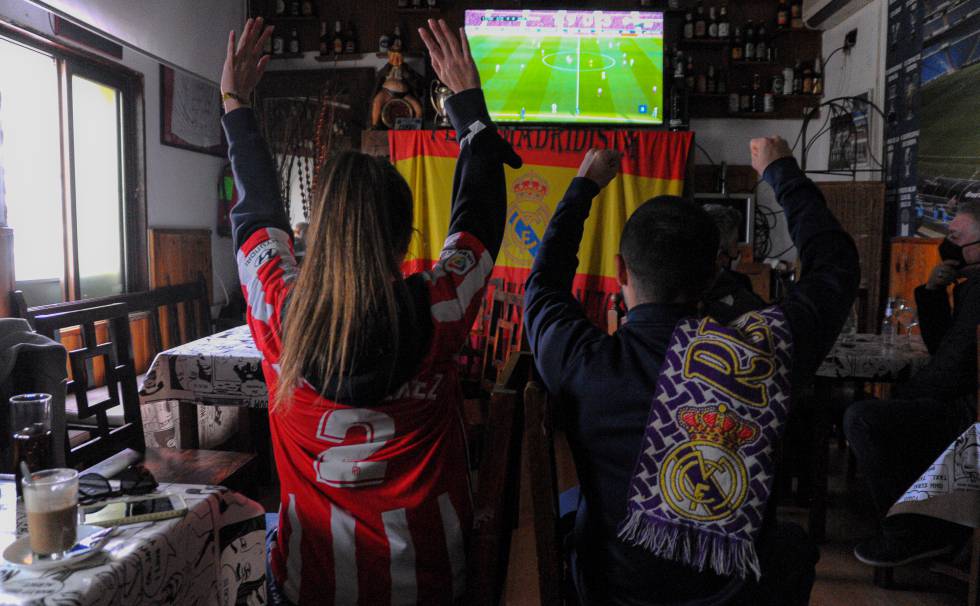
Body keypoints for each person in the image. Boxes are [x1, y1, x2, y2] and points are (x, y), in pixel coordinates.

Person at [220, 18, 520, 605]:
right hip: (435, 584)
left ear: (317, 234)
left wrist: (235, 105)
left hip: (311, 584)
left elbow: (254, 216)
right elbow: (479, 221)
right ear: (407, 240)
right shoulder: (441, 305)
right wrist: (468, 108)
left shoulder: (278, 308)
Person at [524, 137, 860, 605]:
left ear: (621, 271)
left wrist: (584, 187)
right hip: (741, 599)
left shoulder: (585, 362)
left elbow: (541, 286)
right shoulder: (766, 351)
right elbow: (835, 267)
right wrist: (781, 170)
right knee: (791, 546)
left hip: (610, 594)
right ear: (712, 277)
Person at [845, 202, 980, 567]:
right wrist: (934, 292)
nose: (947, 244)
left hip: (969, 417)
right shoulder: (970, 284)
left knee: (863, 418)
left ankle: (909, 533)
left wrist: (908, 393)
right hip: (962, 405)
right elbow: (945, 347)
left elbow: (954, 366)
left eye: (955, 237)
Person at [702, 203, 766, 323]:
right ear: (720, 255)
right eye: (735, 244)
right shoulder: (740, 295)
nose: (738, 252)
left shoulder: (679, 293)